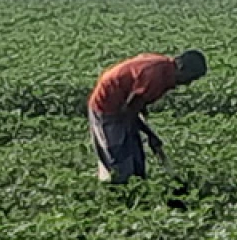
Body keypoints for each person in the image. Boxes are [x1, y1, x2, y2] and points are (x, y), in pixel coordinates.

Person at [88, 50, 207, 184]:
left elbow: (136, 100)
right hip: (107, 106)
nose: (188, 84)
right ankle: (117, 192)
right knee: (120, 160)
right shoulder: (156, 77)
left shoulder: (165, 67)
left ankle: (138, 186)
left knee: (136, 159)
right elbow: (129, 111)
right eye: (190, 78)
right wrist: (150, 135)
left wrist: (144, 119)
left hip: (123, 104)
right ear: (181, 68)